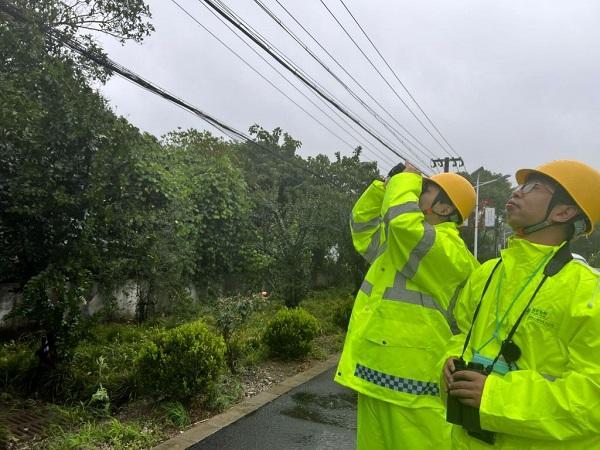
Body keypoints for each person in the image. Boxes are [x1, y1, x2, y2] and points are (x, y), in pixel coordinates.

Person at [443, 159, 600, 449]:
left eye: (534, 187)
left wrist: (495, 397)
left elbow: (592, 401)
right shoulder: (487, 273)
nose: (518, 192)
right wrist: (450, 362)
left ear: (564, 211)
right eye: (520, 185)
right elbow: (460, 334)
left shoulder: (588, 292)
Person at [335, 161, 479, 449]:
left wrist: (407, 180)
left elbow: (401, 222)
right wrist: (383, 187)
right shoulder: (404, 242)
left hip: (416, 390)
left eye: (426, 190)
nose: (417, 192)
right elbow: (363, 228)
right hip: (376, 376)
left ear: (444, 208)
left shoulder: (448, 251)